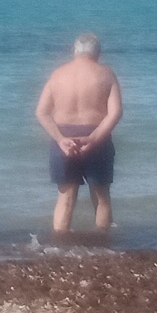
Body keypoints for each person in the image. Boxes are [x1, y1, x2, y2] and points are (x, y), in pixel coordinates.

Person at [35, 31, 123, 238]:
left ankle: (59, 245)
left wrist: (60, 140)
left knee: (65, 197)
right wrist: (93, 139)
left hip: (64, 137)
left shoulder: (57, 75)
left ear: (74, 51)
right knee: (101, 198)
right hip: (96, 137)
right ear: (98, 53)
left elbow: (41, 112)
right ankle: (103, 244)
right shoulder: (106, 74)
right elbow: (116, 112)